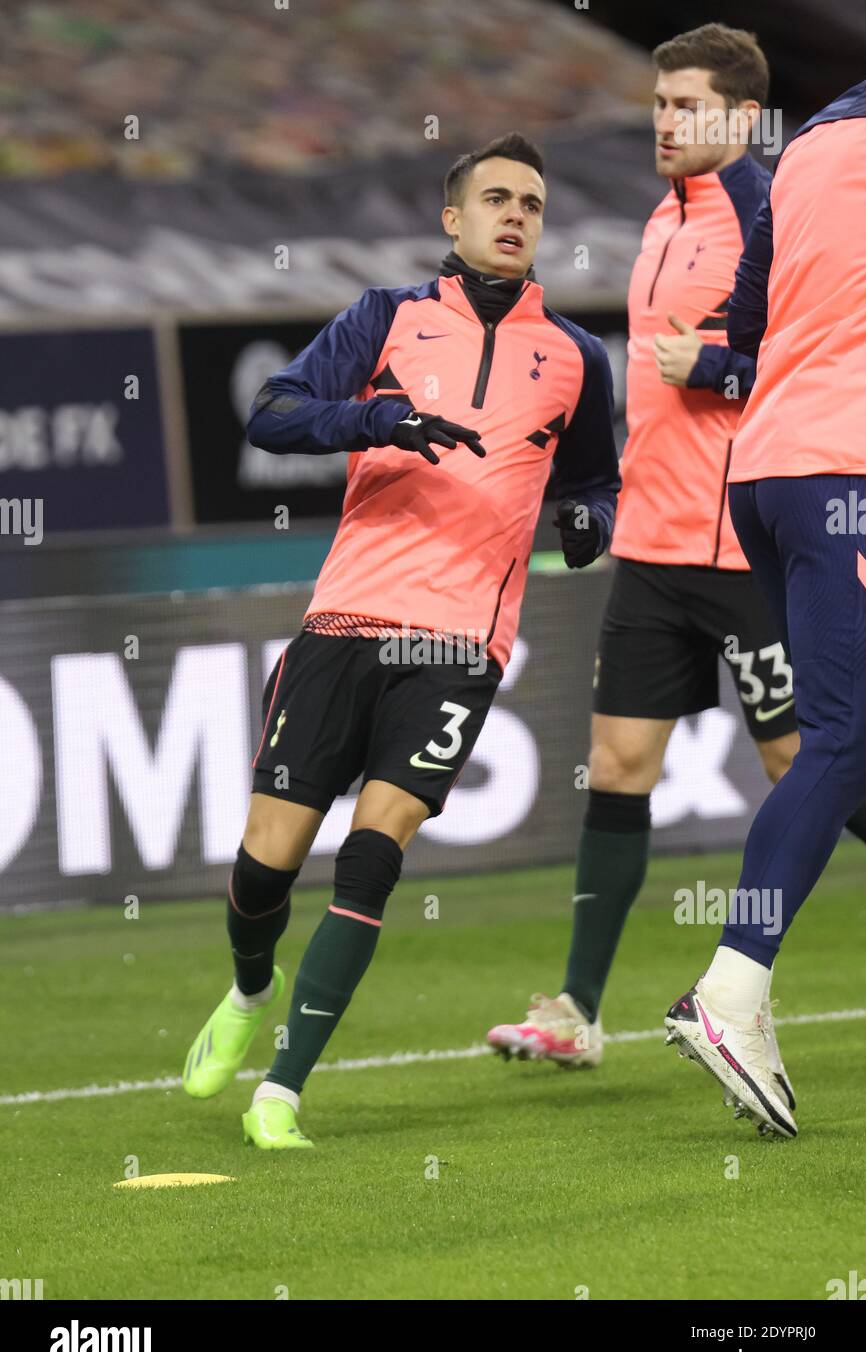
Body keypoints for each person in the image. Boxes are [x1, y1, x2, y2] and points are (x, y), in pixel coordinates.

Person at [181, 132, 620, 1149]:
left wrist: (587, 522)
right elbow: (272, 415)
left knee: (373, 854)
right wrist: (374, 418)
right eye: (495, 198)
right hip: (345, 621)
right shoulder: (383, 318)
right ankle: (251, 986)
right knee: (264, 867)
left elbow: (594, 478)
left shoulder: (573, 358)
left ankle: (282, 1090)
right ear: (451, 218)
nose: (515, 215)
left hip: (462, 642)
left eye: (532, 204)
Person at [489, 27, 805, 1104]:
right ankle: (576, 1011)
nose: (662, 120)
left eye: (682, 104)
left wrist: (713, 362)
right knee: (618, 769)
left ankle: (737, 991)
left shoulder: (772, 213)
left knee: (807, 772)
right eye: (656, 103)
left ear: (737, 115)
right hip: (653, 550)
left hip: (745, 551)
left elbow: (815, 359)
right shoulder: (663, 217)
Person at [664, 77, 866, 1138]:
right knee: (841, 737)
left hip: (762, 477)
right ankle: (730, 986)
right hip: (844, 474)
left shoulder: (806, 151)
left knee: (851, 756)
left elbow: (743, 326)